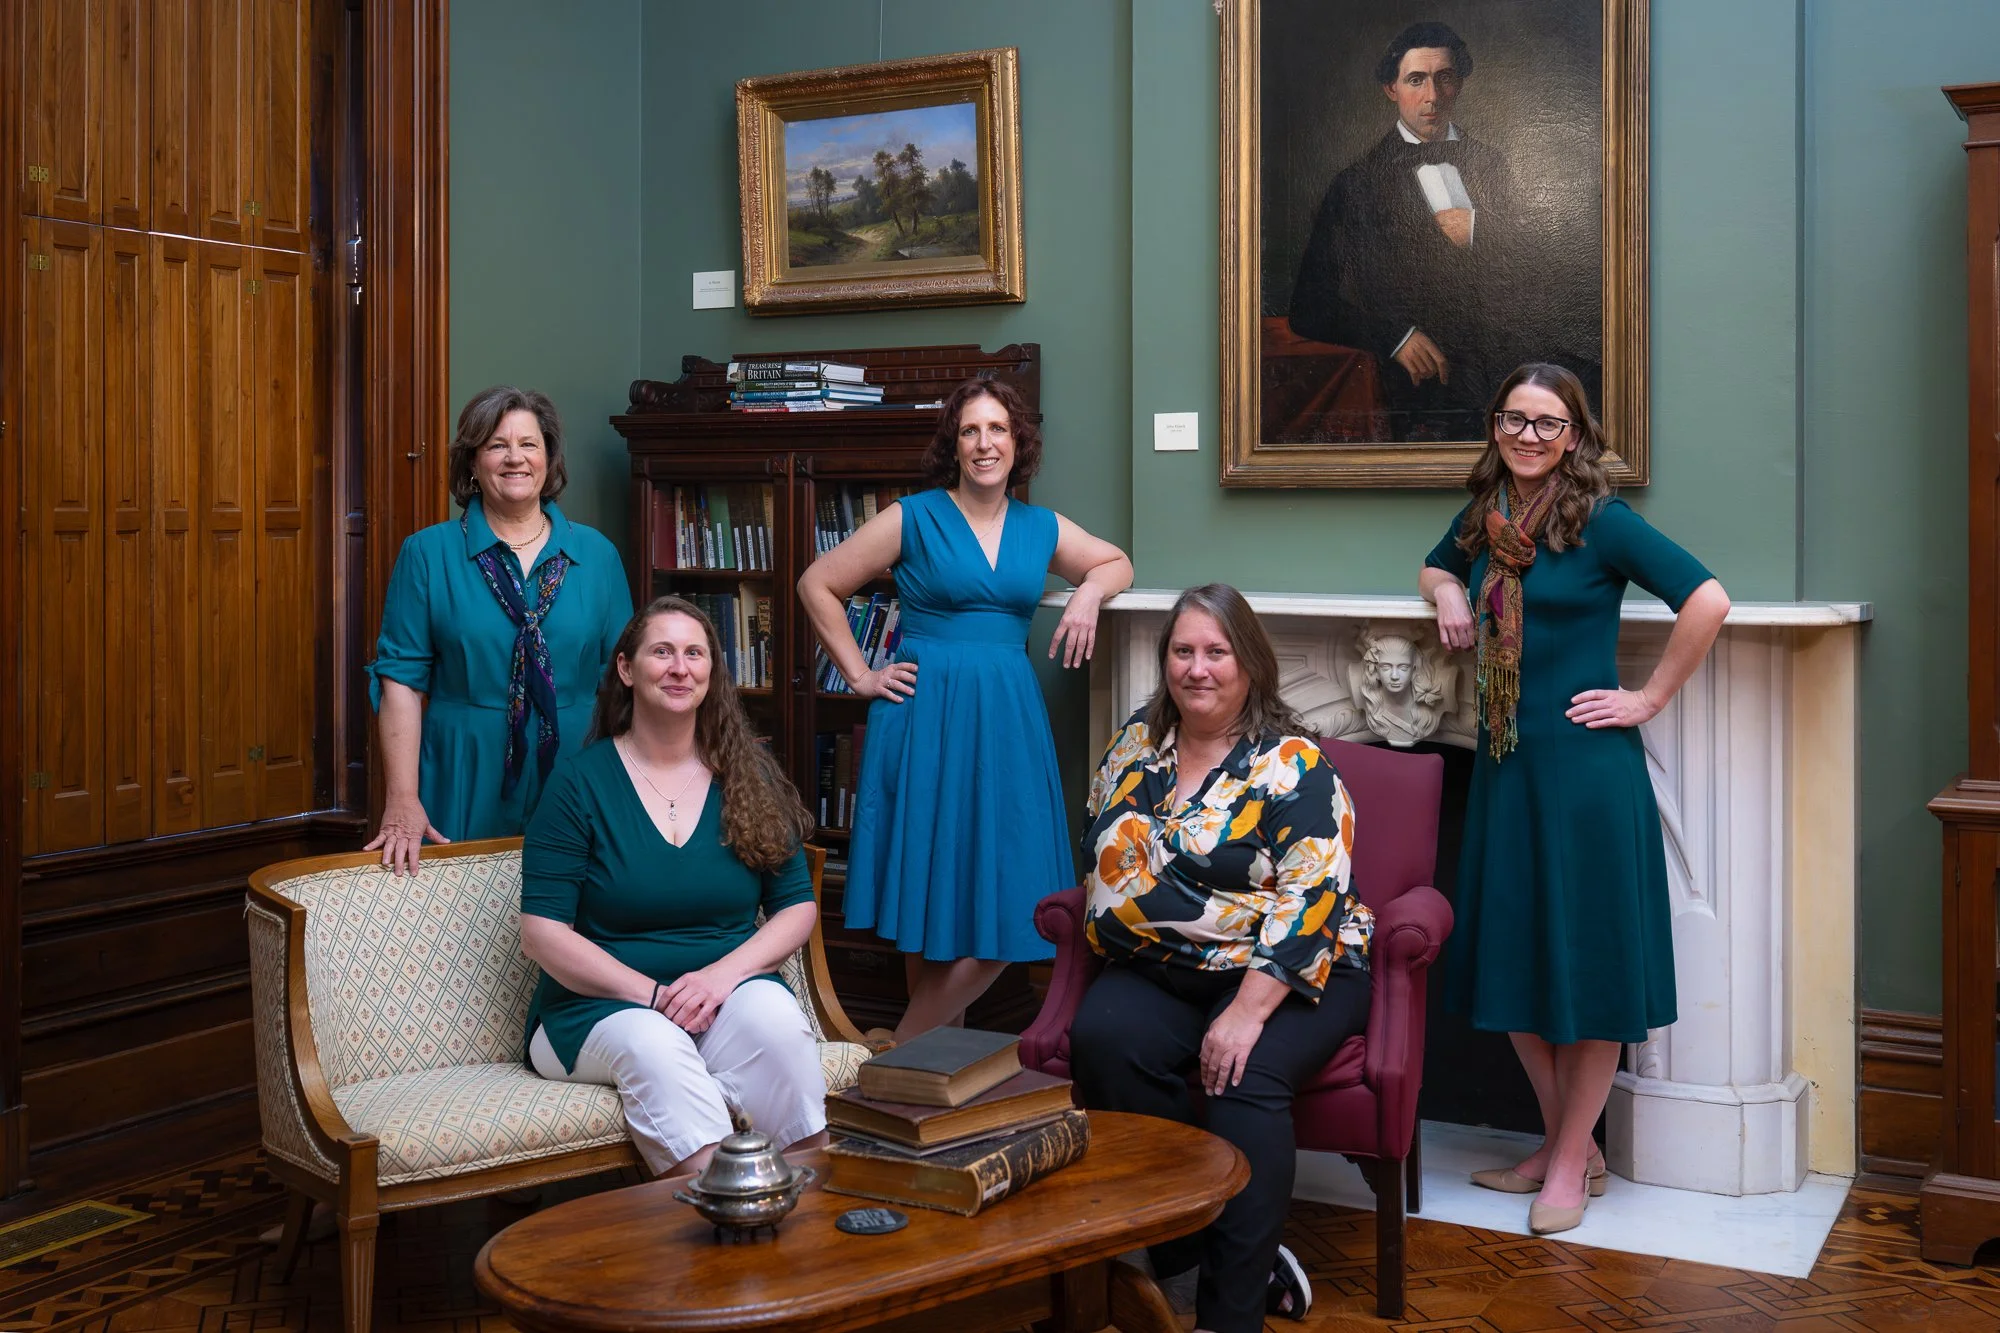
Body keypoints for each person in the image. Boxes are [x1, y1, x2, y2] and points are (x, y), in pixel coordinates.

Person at [1418, 363, 1729, 1235]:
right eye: (1513, 418)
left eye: (1547, 423)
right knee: (1512, 952)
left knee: (1588, 967)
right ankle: (1571, 1143)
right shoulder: (1486, 518)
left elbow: (1708, 599)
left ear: (1575, 436)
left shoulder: (1602, 520)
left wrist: (1648, 698)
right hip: (1509, 767)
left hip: (1588, 776)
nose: (1528, 435)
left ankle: (1563, 1162)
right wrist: (1448, 591)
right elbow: (1435, 566)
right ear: (1495, 425)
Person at [1069, 584, 1374, 1333]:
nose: (1196, 668)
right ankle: (1194, 1256)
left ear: (1250, 665)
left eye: (1216, 651)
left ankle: (1230, 1315)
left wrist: (1246, 1012)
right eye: (1183, 651)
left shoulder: (1295, 766)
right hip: (1167, 964)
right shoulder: (1134, 745)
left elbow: (1311, 901)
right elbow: (1096, 844)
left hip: (1293, 966)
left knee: (1244, 1073)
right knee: (1105, 1040)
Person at [797, 377, 1133, 1045]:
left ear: (1017, 442)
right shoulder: (913, 516)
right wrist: (860, 674)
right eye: (971, 430)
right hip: (924, 718)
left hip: (1007, 720)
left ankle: (894, 1056)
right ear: (954, 445)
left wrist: (1089, 592)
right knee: (930, 900)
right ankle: (926, 1075)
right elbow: (817, 583)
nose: (985, 443)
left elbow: (1117, 562)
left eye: (997, 429)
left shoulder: (1040, 527)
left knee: (1023, 899)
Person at [518, 596, 828, 1178]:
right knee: (656, 1044)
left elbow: (795, 909)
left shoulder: (747, 775)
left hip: (722, 993)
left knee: (779, 1025)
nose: (679, 668)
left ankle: (809, 1206)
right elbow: (542, 933)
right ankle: (721, 1210)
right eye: (662, 652)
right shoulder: (578, 783)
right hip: (598, 1009)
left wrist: (721, 978)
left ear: (712, 672)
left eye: (694, 654)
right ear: (627, 669)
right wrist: (656, 997)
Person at [365, 386, 632, 874]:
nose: (515, 458)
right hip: (462, 767)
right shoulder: (427, 554)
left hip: (578, 768)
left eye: (529, 444)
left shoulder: (598, 555)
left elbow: (626, 681)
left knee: (573, 907)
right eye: (496, 445)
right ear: (472, 462)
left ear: (549, 459)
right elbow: (401, 680)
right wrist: (402, 797)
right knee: (457, 909)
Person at [1289, 22, 1551, 440]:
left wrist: (1480, 229)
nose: (1432, 96)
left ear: (1458, 84)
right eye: (1416, 80)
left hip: (1510, 370)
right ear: (1391, 89)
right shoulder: (1356, 184)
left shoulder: (1493, 165)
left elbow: (1537, 272)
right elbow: (1309, 306)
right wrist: (1395, 338)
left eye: (1443, 78)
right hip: (1423, 388)